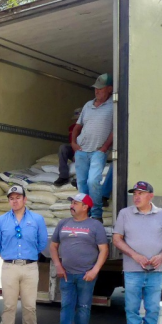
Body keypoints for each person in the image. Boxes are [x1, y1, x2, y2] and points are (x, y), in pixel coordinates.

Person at [112, 181, 162, 324]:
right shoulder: (125, 214)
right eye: (135, 193)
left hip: (155, 270)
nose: (137, 196)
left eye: (141, 193)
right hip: (133, 270)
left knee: (152, 309)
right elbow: (117, 239)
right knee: (131, 309)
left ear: (150, 196)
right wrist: (135, 255)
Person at [48, 193, 109, 324]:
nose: (72, 206)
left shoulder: (95, 226)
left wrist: (94, 270)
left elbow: (104, 250)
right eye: (72, 203)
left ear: (85, 207)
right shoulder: (63, 224)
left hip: (86, 275)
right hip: (67, 274)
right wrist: (58, 266)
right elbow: (53, 246)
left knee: (83, 308)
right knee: (66, 307)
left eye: (76, 203)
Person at [0, 185, 48, 324]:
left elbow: (42, 242)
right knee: (9, 306)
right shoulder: (1, 221)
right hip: (9, 266)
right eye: (11, 198)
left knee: (30, 306)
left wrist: (29, 255)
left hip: (30, 267)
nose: (14, 201)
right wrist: (8, 254)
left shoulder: (37, 219)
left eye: (18, 197)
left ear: (25, 199)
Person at [71, 74, 114, 220]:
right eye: (96, 89)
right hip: (82, 150)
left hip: (98, 151)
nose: (97, 92)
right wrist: (73, 143)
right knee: (82, 183)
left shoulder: (113, 106)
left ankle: (96, 215)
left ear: (110, 89)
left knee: (93, 181)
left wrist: (105, 147)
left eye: (100, 89)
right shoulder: (88, 105)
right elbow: (78, 126)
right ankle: (85, 214)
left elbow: (116, 130)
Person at [55, 107, 82, 187]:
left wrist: (77, 153)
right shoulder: (72, 128)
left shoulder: (88, 127)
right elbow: (72, 142)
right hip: (75, 150)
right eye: (76, 119)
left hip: (85, 151)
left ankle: (79, 179)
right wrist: (74, 153)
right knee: (63, 148)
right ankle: (63, 176)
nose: (77, 121)